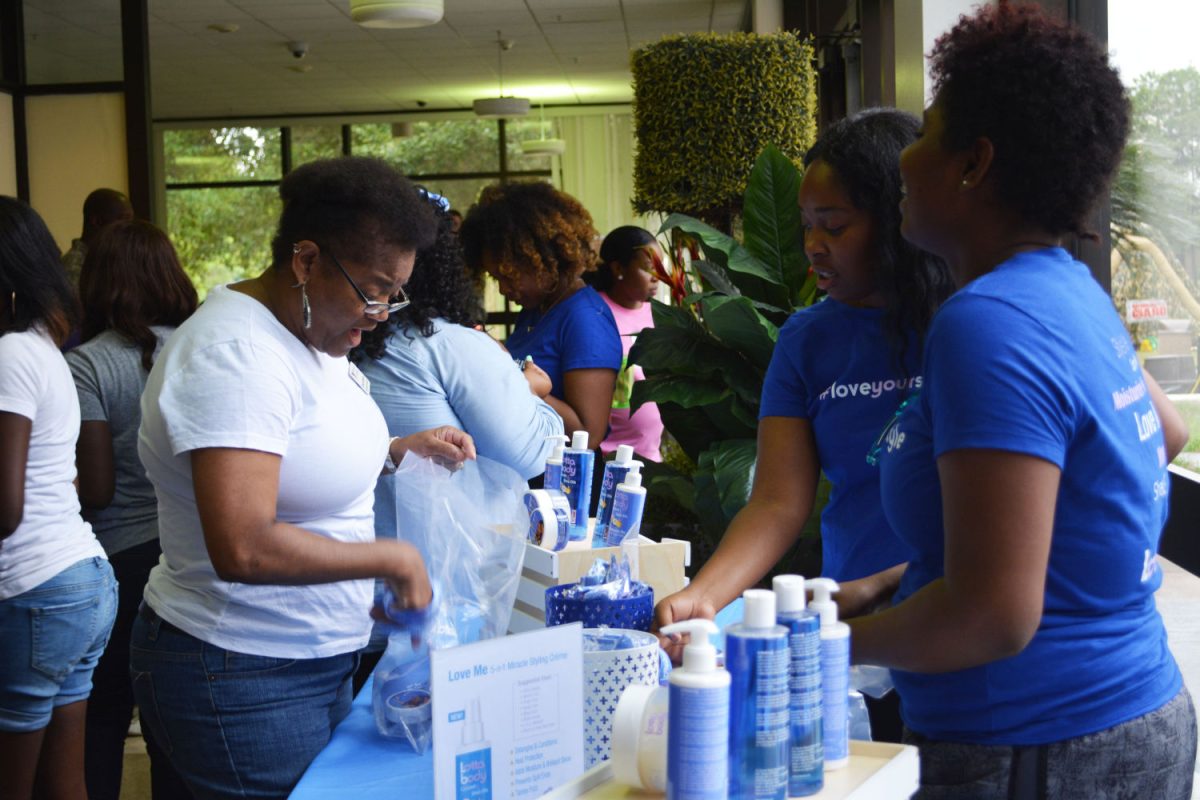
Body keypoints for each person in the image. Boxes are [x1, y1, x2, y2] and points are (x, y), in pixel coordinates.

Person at [845, 6, 1195, 797]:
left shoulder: (987, 323)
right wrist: (904, 576)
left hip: (1040, 748)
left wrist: (821, 641)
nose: (904, 160)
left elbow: (994, 616)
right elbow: (1158, 434)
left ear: (975, 164)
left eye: (926, 134)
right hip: (1126, 716)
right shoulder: (1069, 290)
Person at [130, 157, 475, 798]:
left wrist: (396, 449)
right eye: (373, 290)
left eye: (395, 294)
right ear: (307, 260)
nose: (382, 313)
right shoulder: (238, 356)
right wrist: (395, 560)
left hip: (305, 660)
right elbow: (244, 543)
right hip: (241, 672)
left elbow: (295, 454)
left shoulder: (309, 335)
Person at [653, 109, 954, 739]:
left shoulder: (966, 320)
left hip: (954, 617)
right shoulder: (806, 340)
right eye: (806, 226)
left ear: (901, 218)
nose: (814, 245)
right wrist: (704, 596)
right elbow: (776, 502)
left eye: (835, 226)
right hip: (857, 638)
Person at [349, 194, 563, 690]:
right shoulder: (451, 345)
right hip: (443, 605)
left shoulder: (346, 350)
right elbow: (532, 451)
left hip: (355, 601)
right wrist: (530, 390)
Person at [66, 220, 198, 800]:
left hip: (120, 558)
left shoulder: (88, 365)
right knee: (175, 721)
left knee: (103, 717)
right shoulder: (200, 349)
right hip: (192, 553)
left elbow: (94, 488)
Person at [0, 196, 117, 800]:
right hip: (78, 580)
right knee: (65, 784)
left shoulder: (10, 353)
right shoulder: (43, 347)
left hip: (35, 588)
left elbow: (5, 507)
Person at [459, 182, 621, 452]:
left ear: (543, 259)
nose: (503, 289)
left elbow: (588, 437)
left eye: (509, 276)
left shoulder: (585, 320)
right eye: (495, 278)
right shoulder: (537, 309)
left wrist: (510, 370)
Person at [585, 226, 665, 462]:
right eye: (649, 268)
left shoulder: (659, 315)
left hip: (652, 456)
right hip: (607, 457)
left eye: (660, 268)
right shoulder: (594, 312)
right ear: (618, 268)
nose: (656, 276)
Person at [61, 188, 134, 288]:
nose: (129, 228)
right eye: (123, 220)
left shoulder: (107, 260)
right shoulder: (75, 269)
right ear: (97, 222)